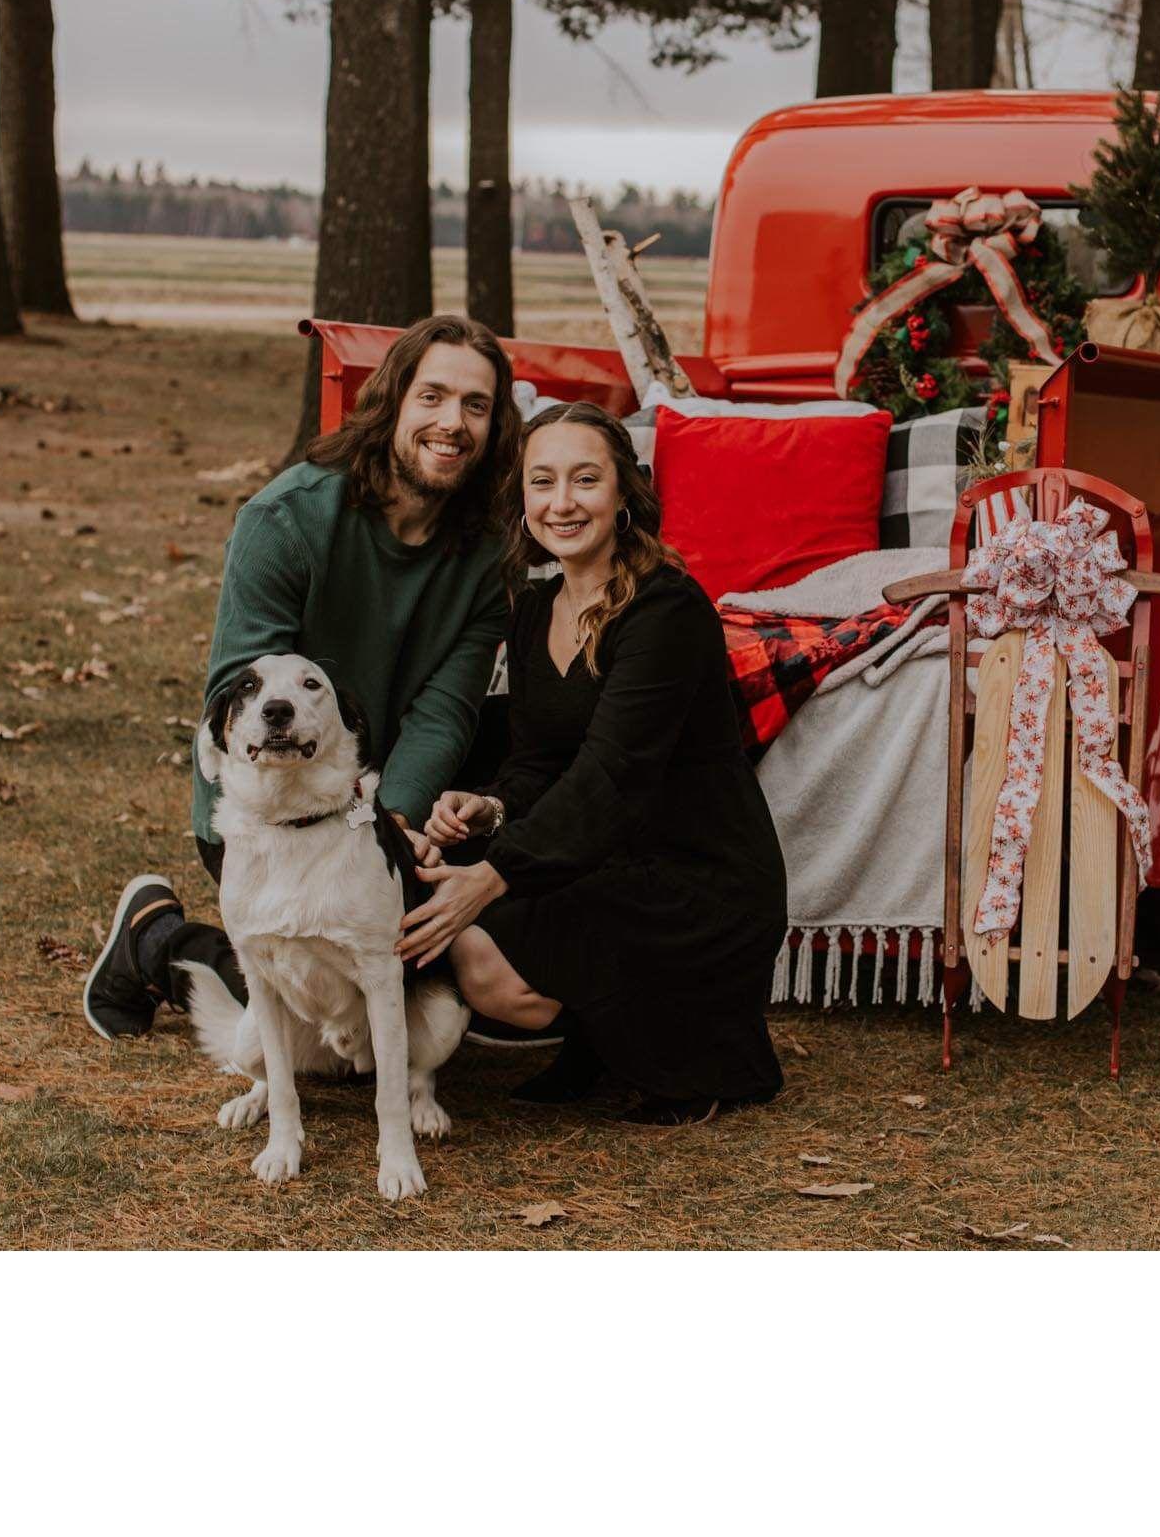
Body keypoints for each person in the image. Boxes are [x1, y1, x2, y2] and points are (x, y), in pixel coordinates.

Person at [81, 313, 517, 1040]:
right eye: (433, 397)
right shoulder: (286, 519)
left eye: (476, 405)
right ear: (393, 401)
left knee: (395, 1003)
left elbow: (445, 709)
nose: (453, 423)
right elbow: (241, 702)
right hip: (270, 804)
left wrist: (393, 821)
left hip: (384, 805)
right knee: (324, 1021)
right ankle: (155, 942)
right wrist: (348, 830)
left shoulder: (489, 554)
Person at [402, 400, 787, 1122]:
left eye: (585, 480)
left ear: (623, 493)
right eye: (542, 482)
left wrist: (492, 876)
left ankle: (691, 1062)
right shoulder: (533, 610)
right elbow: (539, 759)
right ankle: (604, 1042)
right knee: (468, 933)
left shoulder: (666, 610)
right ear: (523, 499)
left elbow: (612, 774)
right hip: (601, 855)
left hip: (696, 874)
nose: (562, 503)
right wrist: (490, 807)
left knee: (483, 953)